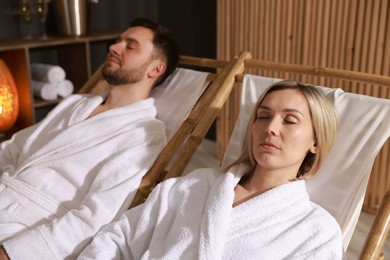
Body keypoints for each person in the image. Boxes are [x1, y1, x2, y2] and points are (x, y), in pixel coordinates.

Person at [78, 80, 344, 259]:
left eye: (290, 120)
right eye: (263, 116)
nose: (270, 128)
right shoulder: (197, 184)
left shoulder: (317, 232)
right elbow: (121, 237)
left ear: (316, 142)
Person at [0, 17, 179, 259]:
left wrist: (12, 253)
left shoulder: (144, 135)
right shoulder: (76, 103)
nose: (114, 47)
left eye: (130, 45)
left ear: (156, 69)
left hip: (28, 230)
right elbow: (13, 148)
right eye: (118, 41)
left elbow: (93, 217)